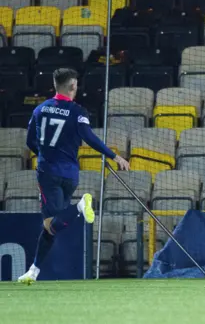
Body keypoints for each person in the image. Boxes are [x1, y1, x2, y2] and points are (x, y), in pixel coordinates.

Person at [18, 68, 130, 285]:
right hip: (70, 173)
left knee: (50, 224)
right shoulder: (77, 111)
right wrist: (114, 156)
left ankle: (79, 207)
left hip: (47, 172)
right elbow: (89, 138)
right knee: (51, 226)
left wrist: (44, 154)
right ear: (72, 87)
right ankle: (33, 271)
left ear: (55, 85)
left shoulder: (40, 110)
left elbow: (30, 141)